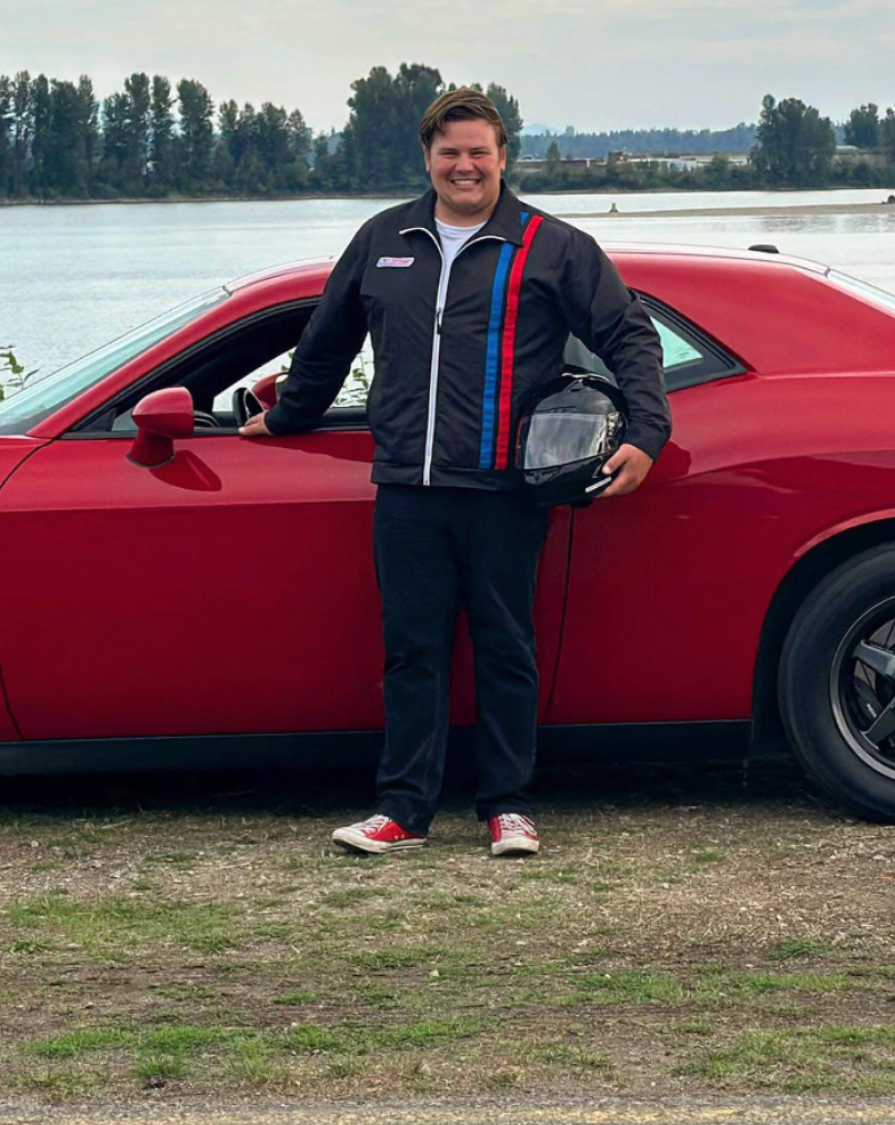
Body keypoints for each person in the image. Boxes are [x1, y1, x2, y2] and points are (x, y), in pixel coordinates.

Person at [238, 88, 670, 857]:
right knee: (413, 650)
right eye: (450, 153)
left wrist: (647, 430)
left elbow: (628, 336)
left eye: (479, 152)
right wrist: (289, 413)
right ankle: (403, 809)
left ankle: (508, 805)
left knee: (506, 647)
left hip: (505, 487)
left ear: (504, 157)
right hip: (406, 486)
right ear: (427, 159)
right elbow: (327, 340)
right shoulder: (385, 239)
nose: (464, 166)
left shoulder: (551, 246)